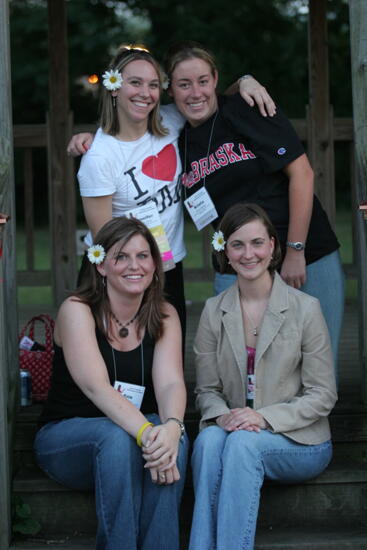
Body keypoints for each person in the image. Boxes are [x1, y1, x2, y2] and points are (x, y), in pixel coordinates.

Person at [68, 44, 276, 343]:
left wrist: (244, 80)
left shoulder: (169, 120)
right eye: (135, 82)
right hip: (120, 269)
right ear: (114, 87)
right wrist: (133, 273)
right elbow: (104, 235)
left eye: (153, 85)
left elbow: (209, 99)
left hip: (167, 264)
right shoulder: (99, 156)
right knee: (119, 360)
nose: (145, 92)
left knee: (168, 354)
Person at [164, 41, 344, 370]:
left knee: (317, 367)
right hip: (239, 262)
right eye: (184, 84)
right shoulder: (176, 136)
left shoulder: (245, 109)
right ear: (171, 90)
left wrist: (295, 251)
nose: (195, 93)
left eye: (203, 81)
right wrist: (91, 139)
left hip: (304, 252)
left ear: (216, 79)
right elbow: (125, 129)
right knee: (242, 368)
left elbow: (302, 173)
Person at [34, 216, 189, 550]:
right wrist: (149, 435)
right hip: (68, 437)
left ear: (154, 263)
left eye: (143, 256)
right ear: (101, 265)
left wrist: (173, 428)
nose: (134, 266)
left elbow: (171, 384)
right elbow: (96, 388)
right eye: (121, 256)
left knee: (175, 438)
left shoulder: (164, 313)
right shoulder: (77, 310)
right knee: (118, 437)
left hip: (135, 439)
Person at [189, 203, 337, 550]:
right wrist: (222, 415)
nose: (248, 254)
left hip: (299, 440)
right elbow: (206, 390)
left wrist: (262, 418)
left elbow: (322, 394)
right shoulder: (213, 311)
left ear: (272, 246)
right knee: (209, 441)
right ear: (225, 250)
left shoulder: (306, 309)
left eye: (257, 243)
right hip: (235, 433)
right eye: (237, 245)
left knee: (241, 444)